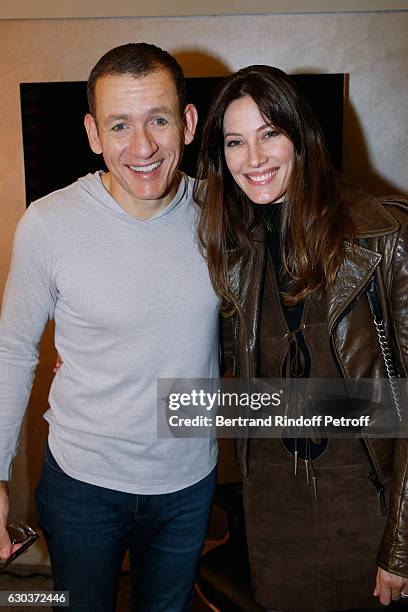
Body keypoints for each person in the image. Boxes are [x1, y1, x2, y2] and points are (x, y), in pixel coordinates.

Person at [0, 43, 220, 611]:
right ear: (94, 134)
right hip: (82, 482)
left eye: (159, 120)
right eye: (120, 125)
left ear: (189, 124)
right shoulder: (47, 224)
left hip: (187, 483)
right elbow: (13, 351)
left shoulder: (225, 216)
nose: (141, 146)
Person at [195, 64, 408, 611]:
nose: (254, 158)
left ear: (302, 137)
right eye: (236, 142)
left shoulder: (385, 239)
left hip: (366, 507)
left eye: (270, 133)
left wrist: (401, 550)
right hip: (273, 513)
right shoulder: (235, 252)